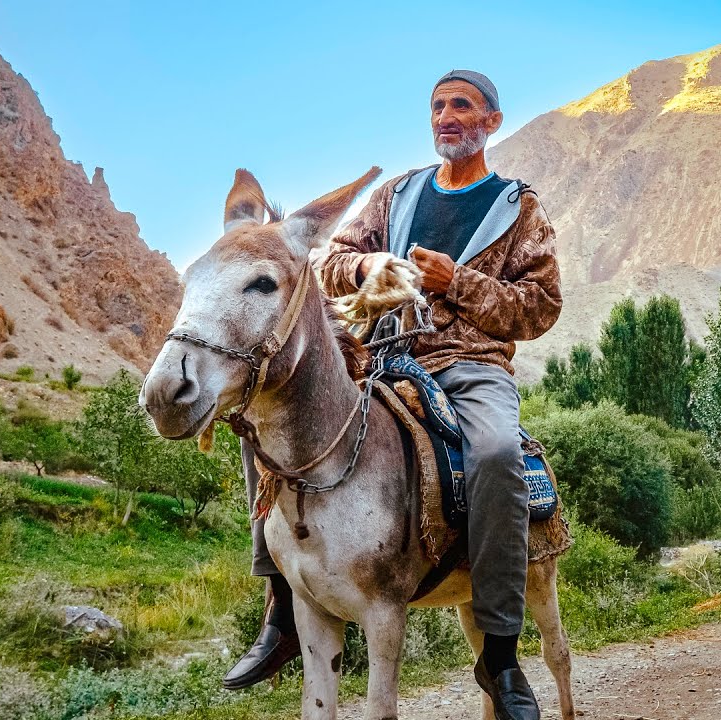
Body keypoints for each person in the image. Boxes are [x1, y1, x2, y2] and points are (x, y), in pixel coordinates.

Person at [224, 70, 560, 720]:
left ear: (491, 120)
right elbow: (331, 261)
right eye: (438, 106)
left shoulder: (519, 209)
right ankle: (280, 605)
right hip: (379, 358)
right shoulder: (397, 194)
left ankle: (501, 654)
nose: (446, 116)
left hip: (470, 366)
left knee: (493, 453)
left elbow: (540, 308)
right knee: (260, 415)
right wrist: (368, 266)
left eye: (461, 105)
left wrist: (459, 284)